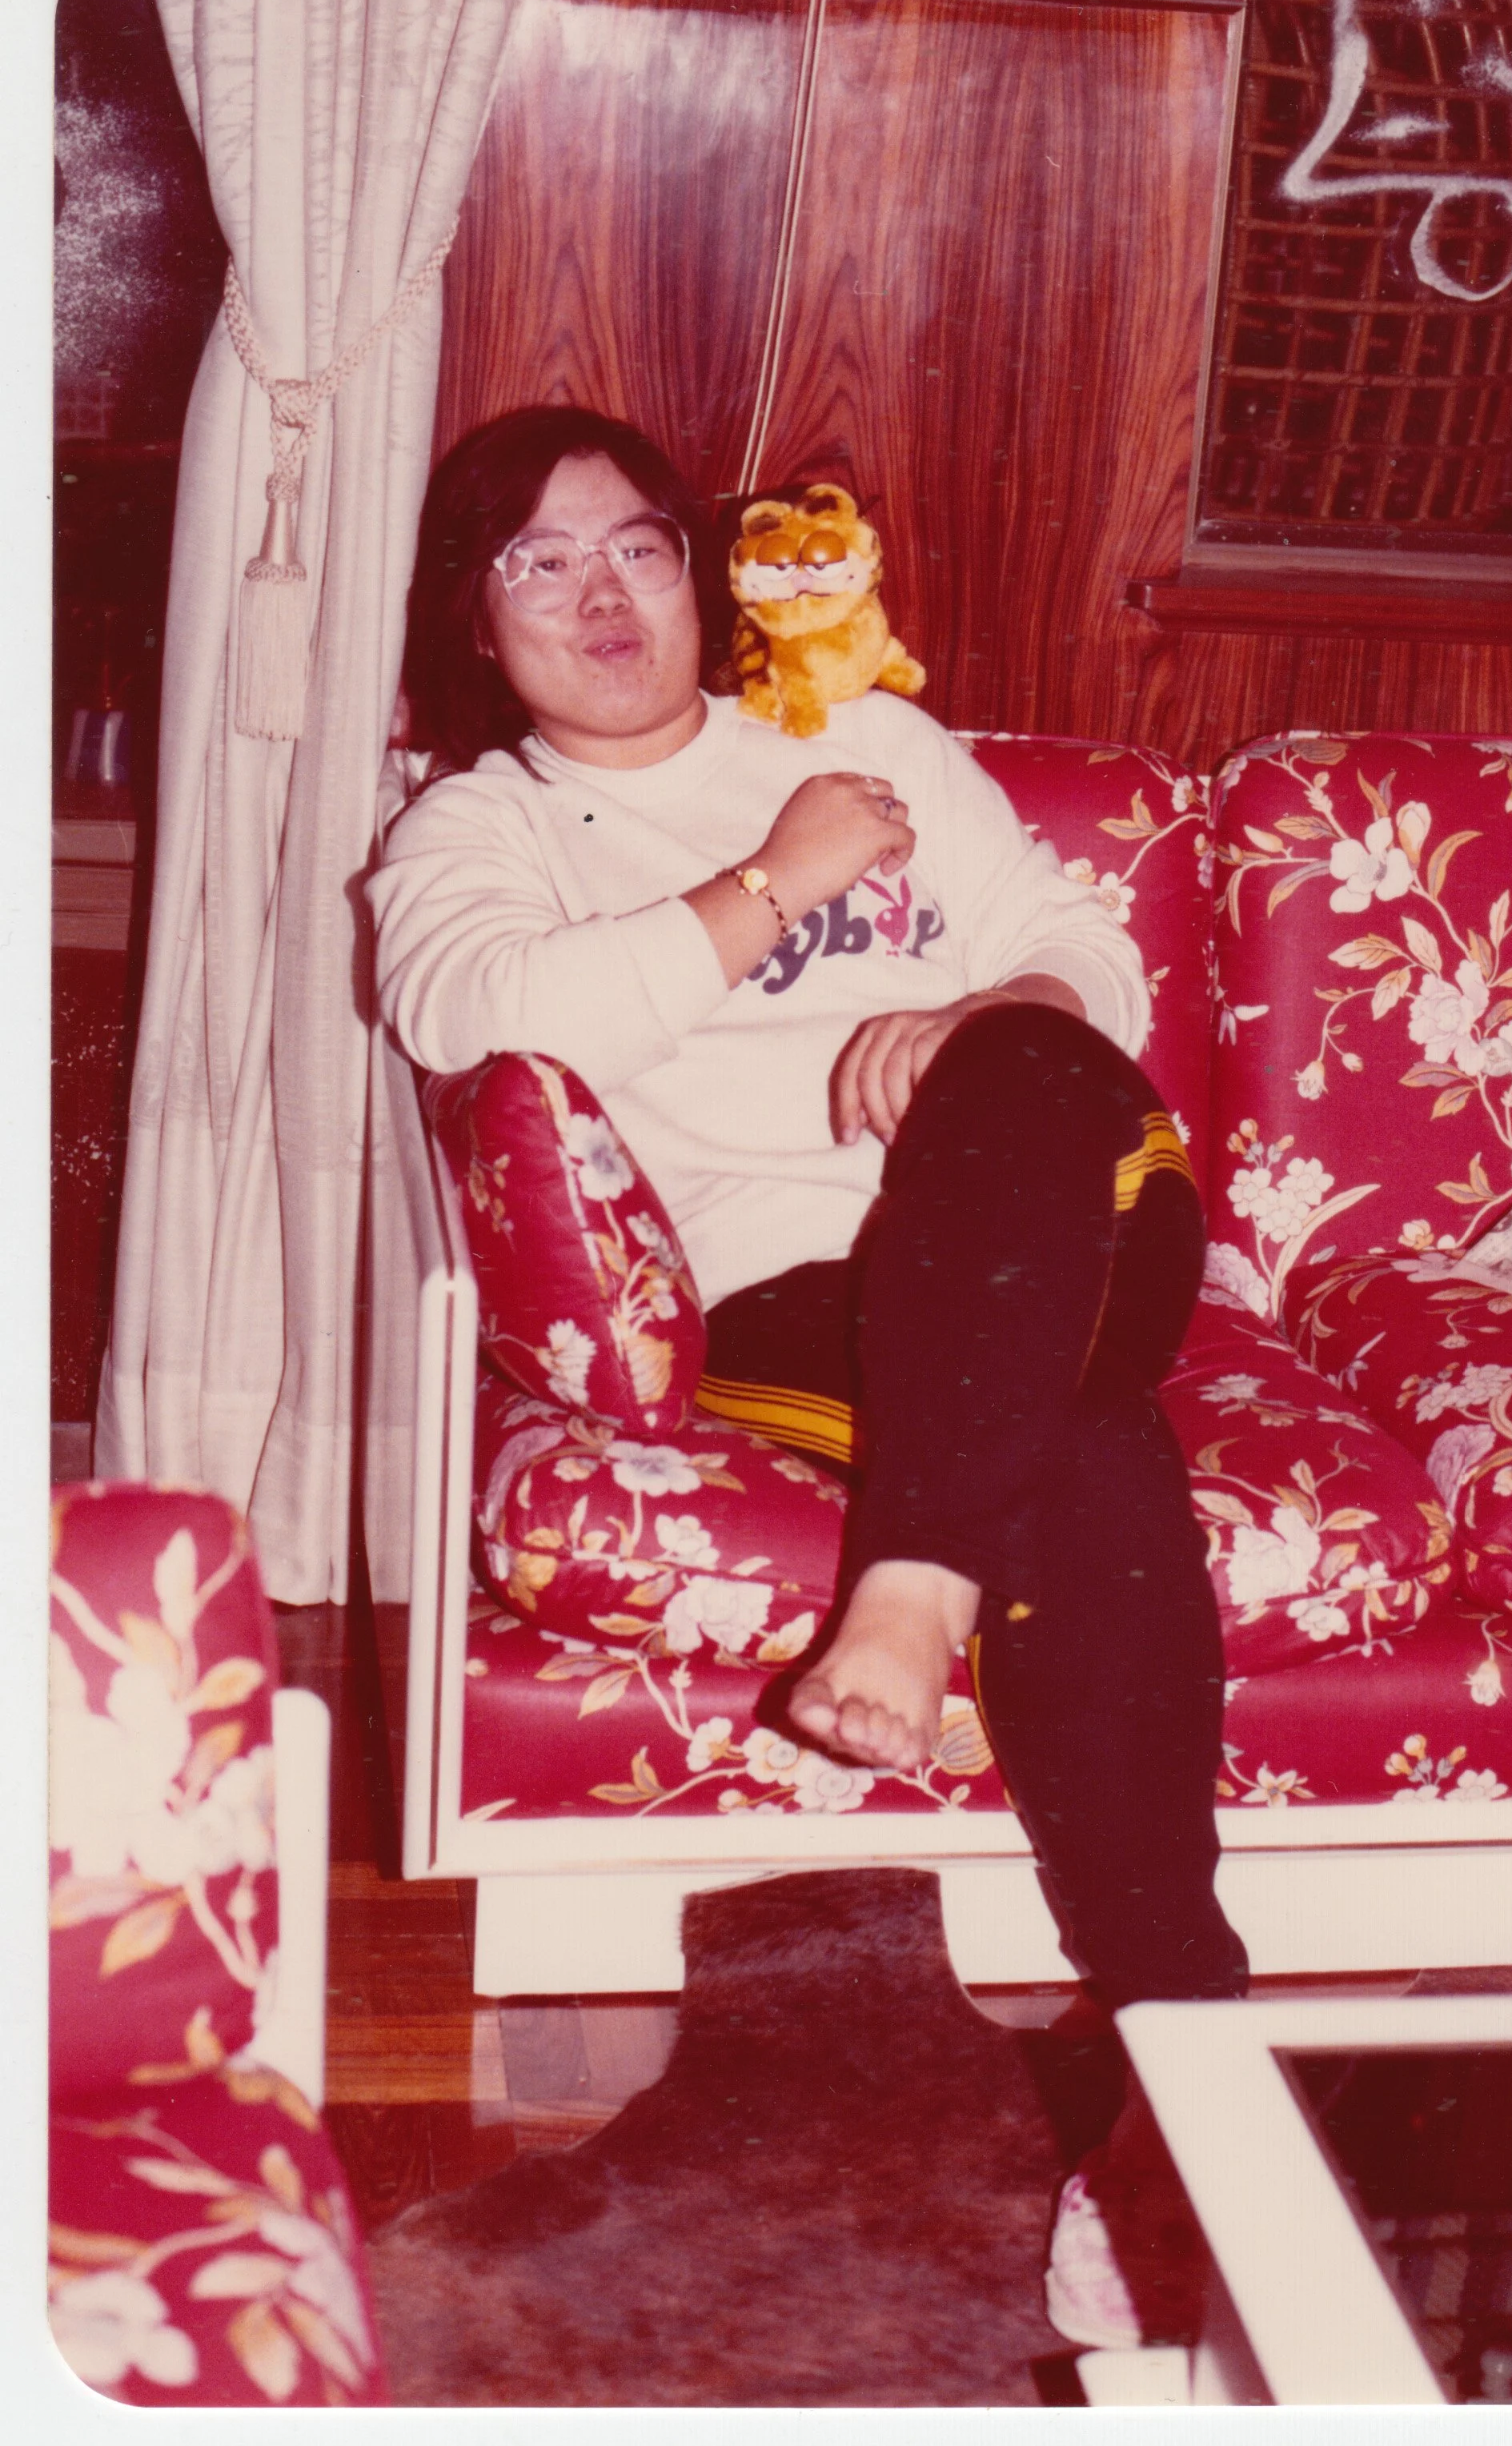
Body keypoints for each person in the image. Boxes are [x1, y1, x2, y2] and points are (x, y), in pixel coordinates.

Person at [369, 405, 1248, 2346]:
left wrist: (970, 1014)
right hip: (807, 1296)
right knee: (1088, 1456)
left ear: (703, 572)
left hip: (1093, 1212)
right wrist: (778, 880)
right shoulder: (474, 826)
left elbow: (1081, 953)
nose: (605, 593)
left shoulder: (870, 735)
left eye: (641, 548)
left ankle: (908, 1590)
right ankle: (1182, 2093)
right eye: (543, 560)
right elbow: (479, 1006)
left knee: (1022, 1070)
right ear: (477, 615)